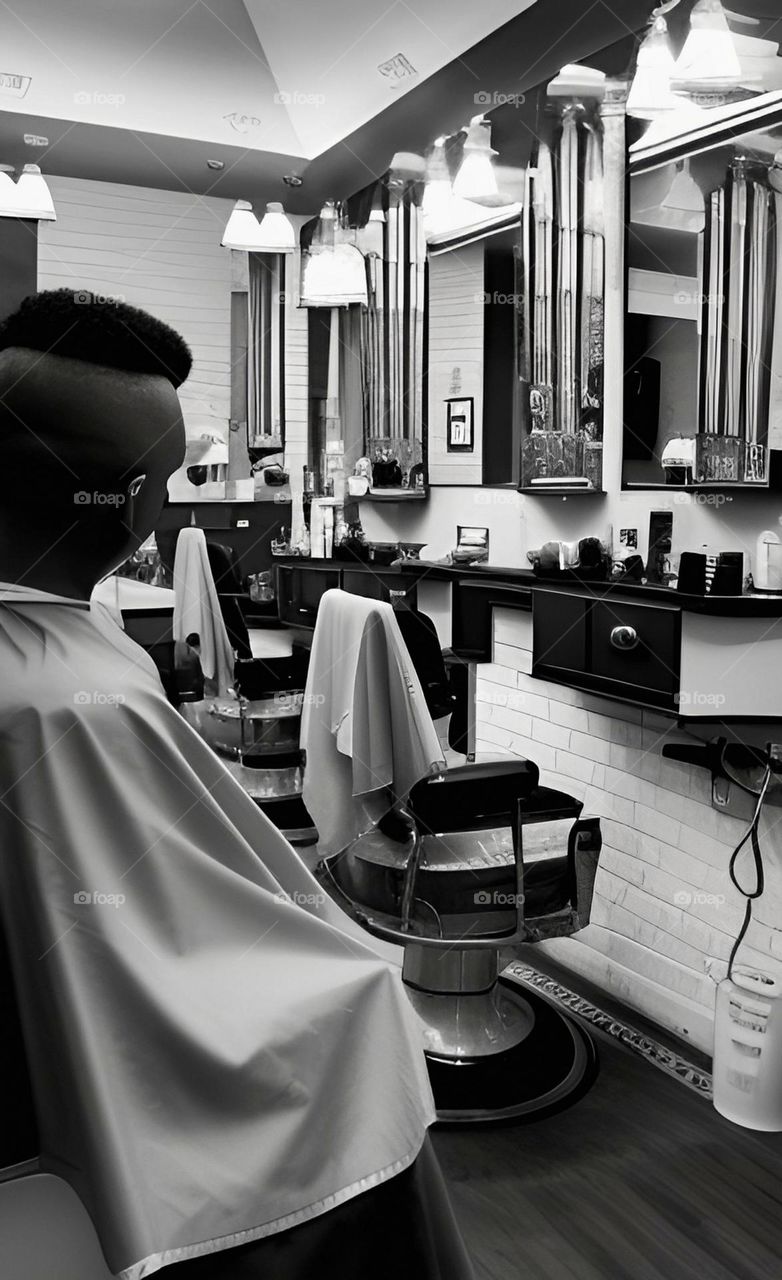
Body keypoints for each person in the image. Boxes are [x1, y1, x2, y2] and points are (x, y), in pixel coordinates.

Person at [0, 291, 473, 1280]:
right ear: (127, 500)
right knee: (365, 1002)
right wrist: (345, 970)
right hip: (113, 1085)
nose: (171, 507)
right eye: (168, 484)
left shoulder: (58, 665)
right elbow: (141, 953)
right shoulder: (60, 698)